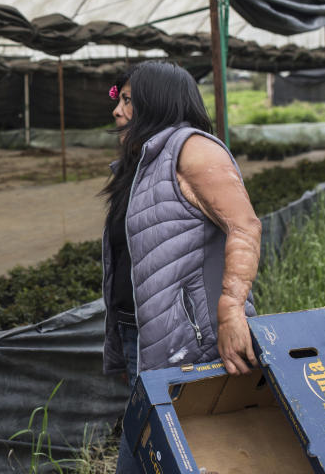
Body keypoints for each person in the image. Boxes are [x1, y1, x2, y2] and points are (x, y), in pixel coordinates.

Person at [101, 62, 260, 470]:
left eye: (129, 100)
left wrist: (231, 312)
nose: (118, 110)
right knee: (158, 453)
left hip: (192, 343)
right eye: (119, 99)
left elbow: (244, 227)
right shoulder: (141, 162)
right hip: (145, 335)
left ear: (158, 101)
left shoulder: (194, 150)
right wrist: (125, 347)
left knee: (160, 454)